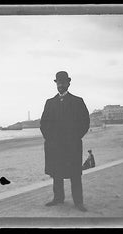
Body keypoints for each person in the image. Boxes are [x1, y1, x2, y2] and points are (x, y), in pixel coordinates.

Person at [40, 71, 90, 212]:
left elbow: (85, 122)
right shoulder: (50, 103)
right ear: (56, 84)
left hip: (72, 145)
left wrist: (74, 137)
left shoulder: (77, 101)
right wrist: (50, 139)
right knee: (57, 173)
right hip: (54, 146)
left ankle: (78, 202)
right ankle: (58, 198)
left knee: (75, 174)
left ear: (68, 83)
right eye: (58, 82)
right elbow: (44, 124)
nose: (61, 85)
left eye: (63, 82)